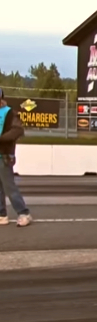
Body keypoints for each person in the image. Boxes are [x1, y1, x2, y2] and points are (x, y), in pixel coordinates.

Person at [0, 88, 31, 226]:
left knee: (9, 186)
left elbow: (18, 130)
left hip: (5, 154)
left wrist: (1, 138)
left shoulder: (10, 113)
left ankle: (23, 213)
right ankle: (2, 215)